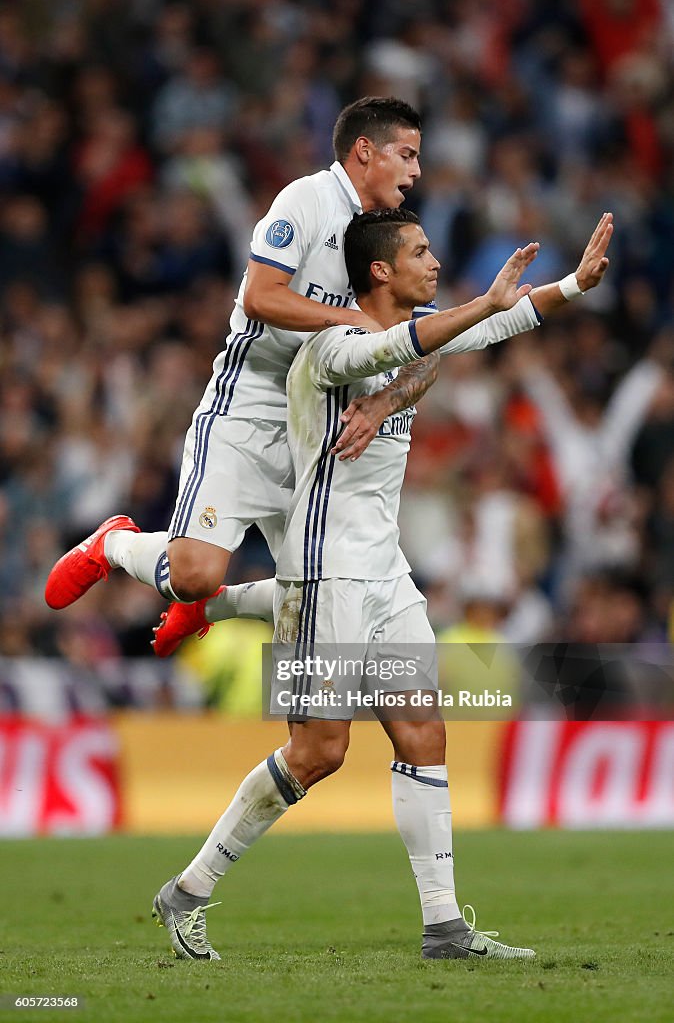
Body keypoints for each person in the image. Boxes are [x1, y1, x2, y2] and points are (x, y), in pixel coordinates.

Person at [150, 208, 613, 961]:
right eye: (420, 253)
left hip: (385, 574)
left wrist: (574, 284)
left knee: (424, 730)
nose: (435, 262)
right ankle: (189, 889)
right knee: (319, 753)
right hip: (321, 573)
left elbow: (486, 329)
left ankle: (444, 928)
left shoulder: (420, 329)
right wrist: (476, 311)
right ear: (378, 271)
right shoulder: (328, 344)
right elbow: (402, 344)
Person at [45, 97, 439, 617]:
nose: (416, 170)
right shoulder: (306, 201)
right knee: (192, 574)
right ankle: (113, 543)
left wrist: (387, 401)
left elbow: (429, 341)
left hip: (318, 431)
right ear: (365, 151)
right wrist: (348, 319)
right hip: (249, 409)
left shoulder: (393, 234)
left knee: (328, 589)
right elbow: (260, 297)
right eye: (407, 154)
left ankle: (215, 613)